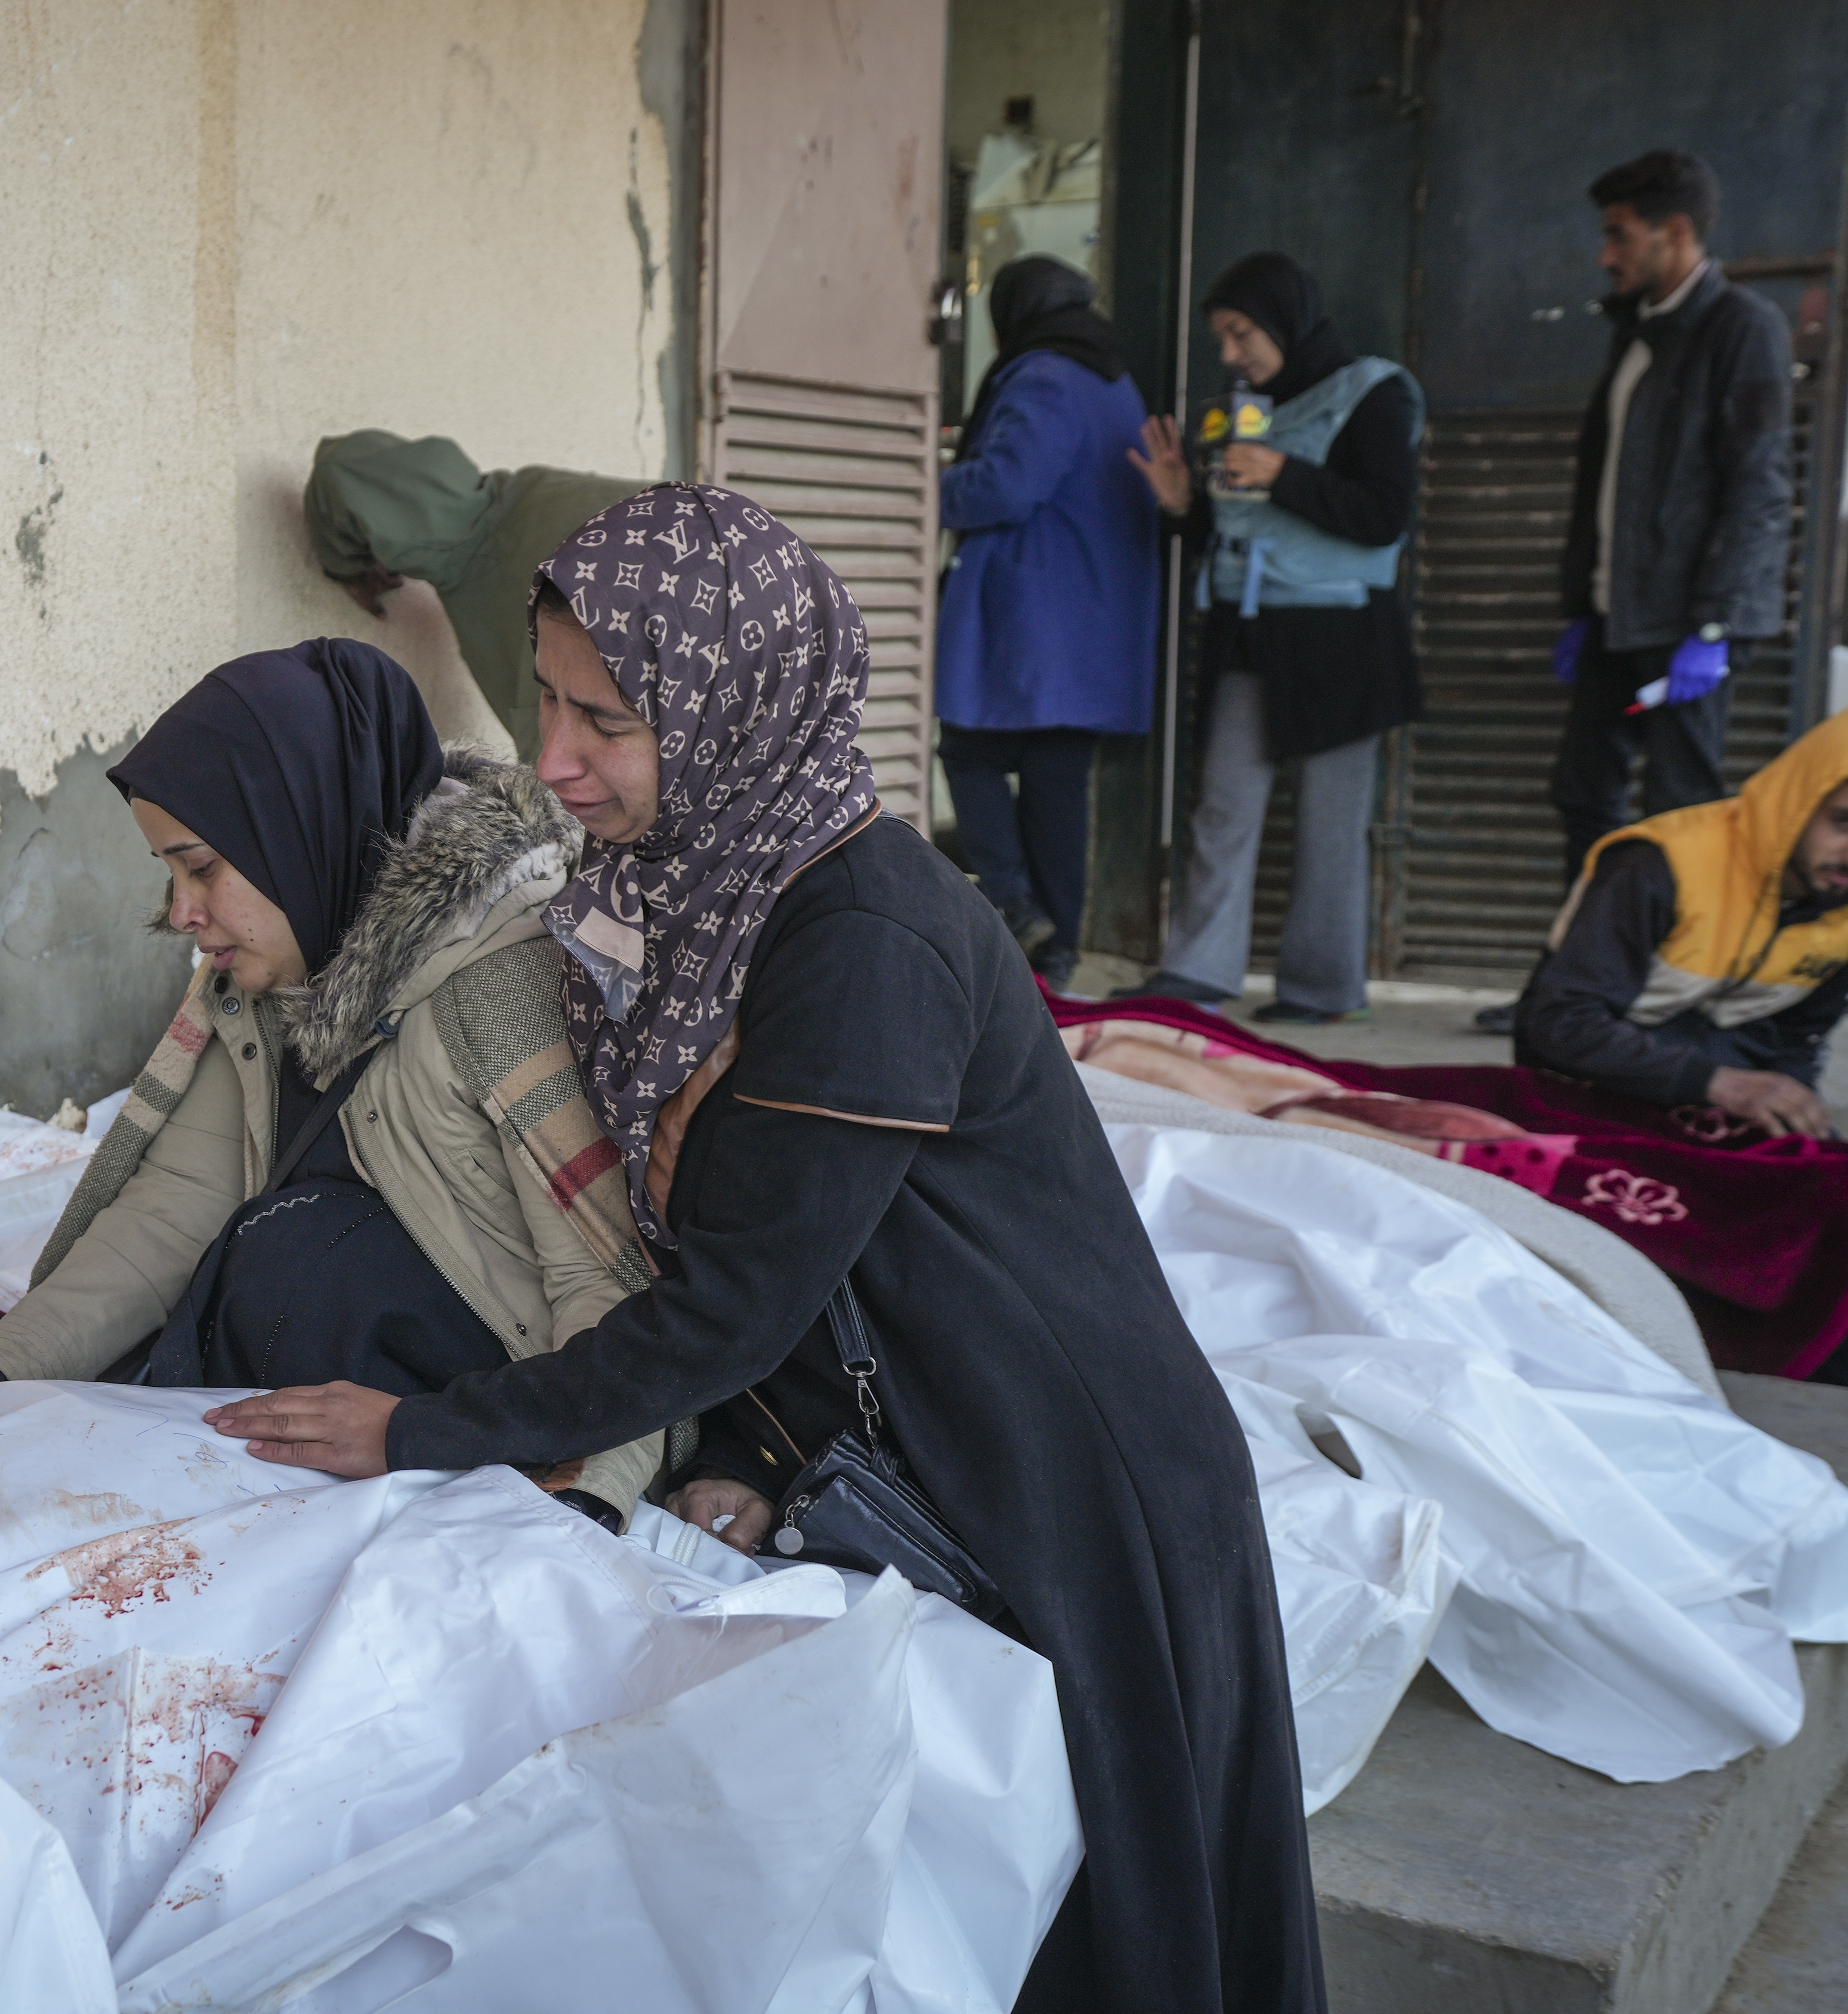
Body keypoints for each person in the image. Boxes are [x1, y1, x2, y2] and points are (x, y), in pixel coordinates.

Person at [204, 486, 1327, 2014]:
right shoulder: (687, 890)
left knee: (1105, 1926)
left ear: (731, 707)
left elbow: (726, 1299)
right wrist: (738, 1444)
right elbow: (741, 1244)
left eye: (604, 717)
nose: (551, 759)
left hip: (1065, 1484)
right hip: (929, 1435)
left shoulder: (859, 939)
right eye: (543, 697)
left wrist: (419, 1430)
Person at [0, 638, 662, 1528]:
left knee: (297, 1253)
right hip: (333, 1436)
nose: (183, 914)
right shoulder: (277, 969)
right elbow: (173, 1207)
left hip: (479, 1422)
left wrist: (585, 1503)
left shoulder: (507, 982)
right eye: (169, 875)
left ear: (300, 823)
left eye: (202, 868)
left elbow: (607, 1286)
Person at [1513, 696, 1848, 1389]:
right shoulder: (1661, 863)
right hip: (1591, 1092)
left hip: (1717, 1090)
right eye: (1845, 823)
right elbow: (1558, 1027)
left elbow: (1801, 1039)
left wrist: (1790, 1103)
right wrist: (1724, 1087)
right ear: (1800, 804)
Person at [1473, 152, 1799, 1038]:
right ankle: (1573, 986)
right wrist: (1581, 604)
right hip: (1619, 618)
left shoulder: (1743, 326)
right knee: (1584, 794)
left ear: (1676, 232)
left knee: (1683, 814)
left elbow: (1761, 486)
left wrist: (1717, 625)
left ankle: (1665, 1004)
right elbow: (1605, 486)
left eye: (1619, 235)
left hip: (1690, 626)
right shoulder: (1635, 330)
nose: (1604, 255)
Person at [1121, 253, 1424, 1027]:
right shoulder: (1240, 411)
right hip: (1246, 634)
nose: (1231, 354)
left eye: (1241, 332)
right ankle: (1196, 971)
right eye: (1224, 337)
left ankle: (1321, 988)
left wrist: (1284, 472)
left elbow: (1385, 514)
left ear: (1287, 319)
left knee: (1330, 823)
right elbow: (1235, 523)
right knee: (1222, 808)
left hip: (1341, 642)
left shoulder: (1374, 392)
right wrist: (1182, 504)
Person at [934, 257, 1160, 992]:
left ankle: (1013, 900)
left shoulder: (1043, 374)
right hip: (1092, 612)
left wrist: (927, 483)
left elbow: (1006, 485)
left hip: (1034, 608)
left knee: (968, 748)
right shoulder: (1110, 377)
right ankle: (1055, 949)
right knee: (1057, 778)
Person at [304, 430, 642, 759]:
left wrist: (347, 565)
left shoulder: (679, 514)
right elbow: (347, 473)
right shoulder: (480, 533)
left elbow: (349, 468)